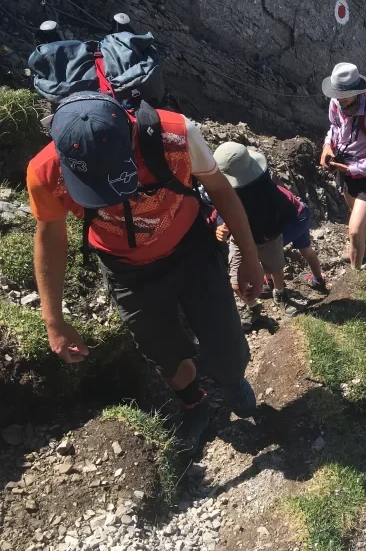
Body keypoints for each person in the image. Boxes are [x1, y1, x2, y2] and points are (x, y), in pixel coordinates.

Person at [27, 92, 262, 453]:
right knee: (163, 352)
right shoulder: (45, 172)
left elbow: (219, 189)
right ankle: (194, 404)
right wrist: (53, 319)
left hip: (192, 250)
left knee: (226, 342)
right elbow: (51, 238)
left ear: (131, 134)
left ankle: (231, 381)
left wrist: (249, 254)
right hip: (126, 270)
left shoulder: (177, 135)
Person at [213, 142, 327, 310]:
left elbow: (288, 213)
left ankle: (277, 287)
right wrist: (222, 226)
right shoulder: (252, 184)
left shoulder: (264, 190)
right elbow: (221, 210)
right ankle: (308, 281)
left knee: (270, 255)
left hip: (292, 219)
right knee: (295, 251)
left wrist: (269, 234)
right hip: (290, 217)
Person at [320, 63, 366, 269]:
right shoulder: (335, 103)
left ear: (357, 92)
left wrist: (353, 169)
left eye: (345, 95)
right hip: (343, 166)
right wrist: (326, 147)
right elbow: (334, 128)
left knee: (354, 230)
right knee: (358, 218)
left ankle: (356, 275)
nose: (340, 99)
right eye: (337, 94)